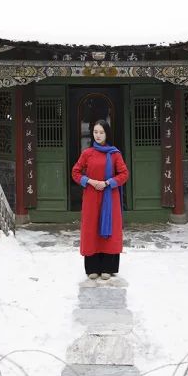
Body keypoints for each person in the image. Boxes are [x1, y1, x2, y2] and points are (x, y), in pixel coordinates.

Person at [70, 118, 129, 280]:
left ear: (107, 134)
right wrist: (89, 181)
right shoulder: (87, 153)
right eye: (95, 132)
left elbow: (124, 174)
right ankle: (92, 268)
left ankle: (107, 268)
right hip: (91, 197)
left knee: (110, 229)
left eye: (101, 132)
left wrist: (108, 183)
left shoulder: (115, 154)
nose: (98, 135)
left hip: (110, 197)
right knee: (91, 229)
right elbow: (75, 172)